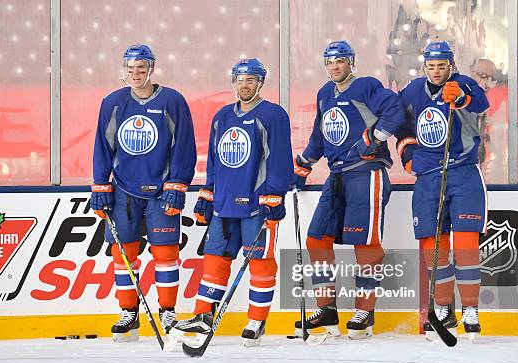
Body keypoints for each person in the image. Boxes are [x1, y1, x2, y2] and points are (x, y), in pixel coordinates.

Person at [170, 58, 293, 346]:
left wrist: (275, 193)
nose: (244, 85)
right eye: (239, 79)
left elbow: (279, 159)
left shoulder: (274, 115)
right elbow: (214, 160)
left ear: (260, 82)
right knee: (214, 260)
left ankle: (256, 320)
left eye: (250, 80)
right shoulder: (223, 116)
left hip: (256, 203)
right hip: (224, 204)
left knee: (260, 262)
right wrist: (208, 192)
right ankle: (203, 316)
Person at [292, 40, 404, 339]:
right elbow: (320, 133)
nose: (334, 67)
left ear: (351, 62)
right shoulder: (325, 93)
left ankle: (364, 312)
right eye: (329, 62)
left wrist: (376, 137)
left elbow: (394, 109)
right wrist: (304, 163)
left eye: (340, 61)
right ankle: (327, 308)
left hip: (366, 174)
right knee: (316, 238)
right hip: (337, 175)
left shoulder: (366, 85)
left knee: (365, 244)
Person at [91, 44, 197, 342]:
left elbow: (183, 146)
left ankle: (167, 311)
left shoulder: (172, 101)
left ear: (151, 69)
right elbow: (102, 145)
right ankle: (129, 313)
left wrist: (177, 184)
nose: (135, 74)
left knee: (166, 252)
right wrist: (101, 184)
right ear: (123, 70)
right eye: (130, 69)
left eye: (141, 69)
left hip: (161, 190)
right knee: (123, 253)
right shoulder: (112, 103)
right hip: (124, 190)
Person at [395, 41, 489, 340]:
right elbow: (400, 124)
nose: (437, 72)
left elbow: (481, 104)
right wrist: (407, 153)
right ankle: (444, 307)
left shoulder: (465, 83)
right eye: (431, 66)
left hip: (462, 172)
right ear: (425, 67)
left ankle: (471, 309)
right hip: (429, 178)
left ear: (451, 65)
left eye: (442, 66)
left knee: (465, 243)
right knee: (433, 247)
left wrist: (461, 98)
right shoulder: (412, 91)